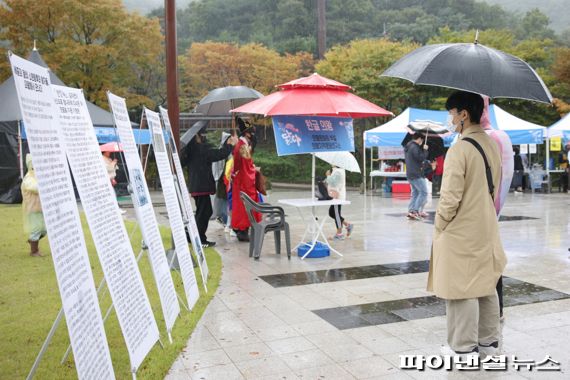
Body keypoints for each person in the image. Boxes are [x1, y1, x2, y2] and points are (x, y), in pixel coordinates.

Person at [427, 91, 507, 359]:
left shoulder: (460, 148)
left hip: (461, 228)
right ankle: (488, 342)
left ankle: (462, 347)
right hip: (485, 224)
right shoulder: (491, 144)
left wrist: (440, 224)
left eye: (451, 113)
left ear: (464, 114)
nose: (450, 118)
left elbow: (450, 197)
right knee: (485, 284)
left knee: (460, 288)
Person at [182, 127, 237, 248]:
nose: (203, 137)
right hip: (200, 187)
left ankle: (192, 234)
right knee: (204, 212)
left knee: (203, 212)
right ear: (195, 138)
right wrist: (229, 145)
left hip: (197, 186)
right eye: (199, 135)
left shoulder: (192, 151)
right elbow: (218, 154)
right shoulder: (200, 150)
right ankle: (198, 238)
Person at [231, 117, 260, 242]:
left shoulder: (243, 144)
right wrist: (255, 170)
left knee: (242, 205)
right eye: (251, 132)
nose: (253, 134)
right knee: (244, 206)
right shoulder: (242, 146)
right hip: (244, 180)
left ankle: (241, 229)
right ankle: (242, 230)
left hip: (241, 179)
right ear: (247, 133)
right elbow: (247, 167)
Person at [21, 154, 47, 257]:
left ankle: (32, 240)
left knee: (44, 230)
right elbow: (35, 187)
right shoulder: (29, 178)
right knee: (36, 229)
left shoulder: (38, 176)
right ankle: (34, 251)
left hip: (41, 208)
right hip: (33, 209)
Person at [404, 132, 429, 220]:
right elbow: (420, 158)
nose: (421, 142)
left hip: (410, 173)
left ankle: (411, 211)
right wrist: (425, 150)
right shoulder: (414, 147)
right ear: (419, 139)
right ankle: (415, 211)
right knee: (424, 192)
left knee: (415, 193)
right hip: (416, 173)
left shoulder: (408, 146)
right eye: (421, 140)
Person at [325, 166, 354, 240]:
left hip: (337, 197)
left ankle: (339, 233)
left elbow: (333, 183)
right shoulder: (336, 171)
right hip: (335, 196)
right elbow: (332, 182)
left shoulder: (338, 172)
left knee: (336, 214)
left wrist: (328, 175)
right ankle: (347, 224)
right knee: (332, 213)